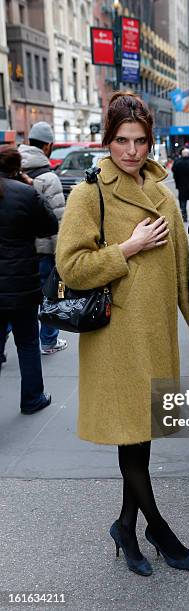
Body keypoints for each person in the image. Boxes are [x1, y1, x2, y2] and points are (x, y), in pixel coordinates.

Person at [56, 92, 189, 576]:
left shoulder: (163, 194)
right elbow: (72, 268)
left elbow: (183, 271)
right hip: (116, 340)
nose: (132, 151)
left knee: (139, 438)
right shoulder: (88, 194)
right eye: (122, 140)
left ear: (150, 142)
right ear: (108, 141)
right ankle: (157, 528)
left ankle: (124, 524)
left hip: (155, 336)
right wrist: (129, 246)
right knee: (131, 439)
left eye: (140, 141)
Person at [0, 145, 58, 413]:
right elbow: (49, 226)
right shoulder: (24, 193)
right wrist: (30, 186)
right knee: (27, 342)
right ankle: (32, 398)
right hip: (21, 282)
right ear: (16, 168)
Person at [19, 121, 67, 356]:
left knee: (16, 300)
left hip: (17, 251)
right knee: (52, 296)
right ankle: (48, 341)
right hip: (45, 252)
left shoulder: (12, 172)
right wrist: (63, 256)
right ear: (48, 146)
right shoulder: (49, 178)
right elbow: (58, 221)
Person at [171, 148, 189, 222]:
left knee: (182, 201)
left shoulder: (177, 162)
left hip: (181, 185)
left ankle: (184, 216)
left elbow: (173, 171)